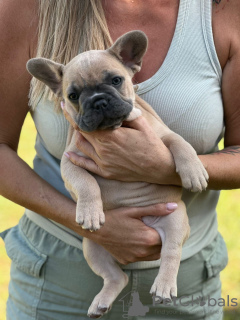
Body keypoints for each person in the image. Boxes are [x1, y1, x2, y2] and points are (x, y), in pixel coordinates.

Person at [0, 0, 239, 319]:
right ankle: (112, 280)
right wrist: (85, 218)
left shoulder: (226, 11)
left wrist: (165, 167)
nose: (96, 102)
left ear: (130, 62)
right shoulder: (24, 8)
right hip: (57, 281)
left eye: (113, 82)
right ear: (58, 89)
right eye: (76, 96)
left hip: (188, 282)